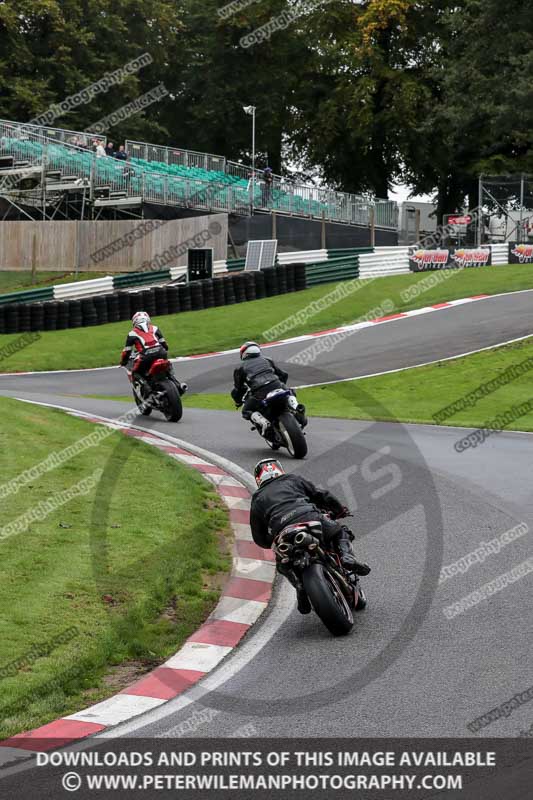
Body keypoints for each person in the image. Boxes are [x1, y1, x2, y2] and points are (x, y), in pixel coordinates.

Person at [250, 459, 371, 614]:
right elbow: (321, 495)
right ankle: (347, 557)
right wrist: (339, 510)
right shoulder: (292, 479)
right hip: (309, 517)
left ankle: (299, 586)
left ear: (258, 478)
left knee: (283, 563)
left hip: (283, 532)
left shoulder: (257, 498)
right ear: (279, 469)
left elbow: (258, 537)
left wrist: (272, 540)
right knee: (340, 532)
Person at [231, 341, 294, 436]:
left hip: (260, 392)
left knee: (245, 410)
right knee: (289, 391)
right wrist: (281, 386)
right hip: (276, 385)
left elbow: (238, 388)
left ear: (244, 353)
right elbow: (284, 375)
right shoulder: (267, 360)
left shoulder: (240, 368)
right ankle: (297, 408)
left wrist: (238, 401)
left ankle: (264, 423)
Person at [119, 311, 186, 394]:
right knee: (167, 365)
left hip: (145, 356)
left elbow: (127, 351)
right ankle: (178, 385)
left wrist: (123, 361)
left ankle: (148, 390)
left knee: (134, 372)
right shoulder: (155, 328)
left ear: (134, 322)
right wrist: (163, 350)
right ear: (148, 319)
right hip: (161, 352)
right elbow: (164, 345)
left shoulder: (132, 333)